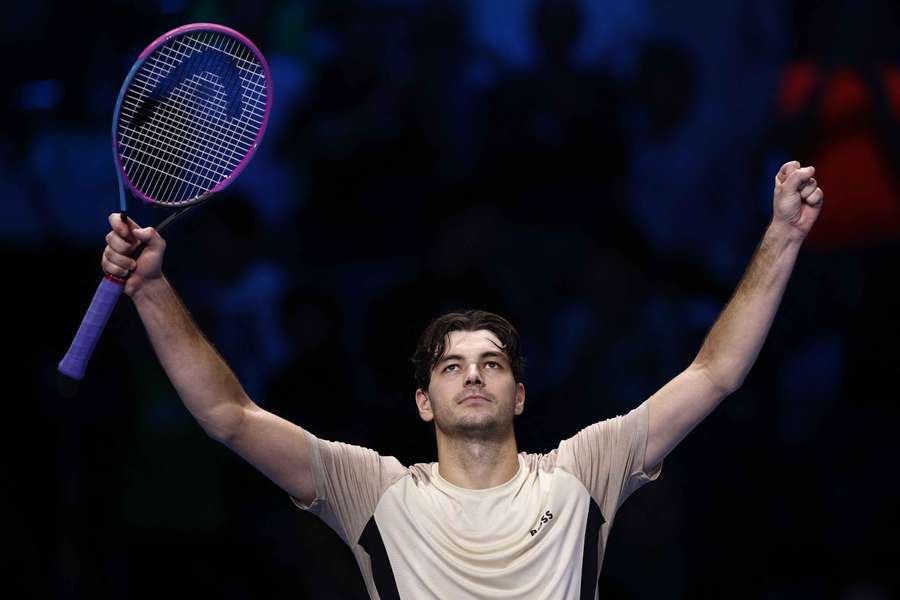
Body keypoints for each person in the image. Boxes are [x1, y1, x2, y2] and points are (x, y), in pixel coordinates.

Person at [100, 161, 823, 599]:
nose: (473, 374)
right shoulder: (373, 490)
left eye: (492, 363)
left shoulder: (585, 470)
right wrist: (153, 288)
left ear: (518, 395)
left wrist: (783, 236)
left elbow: (715, 371)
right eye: (451, 366)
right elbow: (228, 414)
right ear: (423, 401)